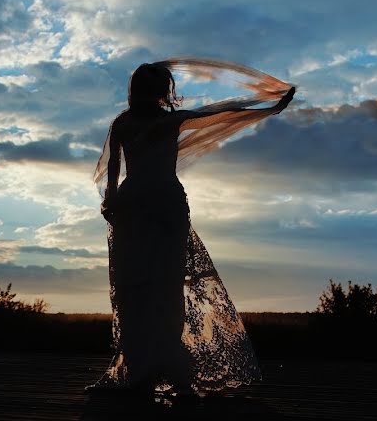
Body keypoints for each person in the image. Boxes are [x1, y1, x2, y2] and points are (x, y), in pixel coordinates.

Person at [89, 59, 296, 396]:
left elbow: (220, 114)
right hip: (151, 204)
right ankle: (149, 367)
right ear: (158, 91)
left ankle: (156, 367)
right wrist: (270, 106)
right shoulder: (150, 121)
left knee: (145, 285)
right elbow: (221, 112)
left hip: (147, 205)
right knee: (150, 286)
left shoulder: (136, 122)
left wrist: (271, 106)